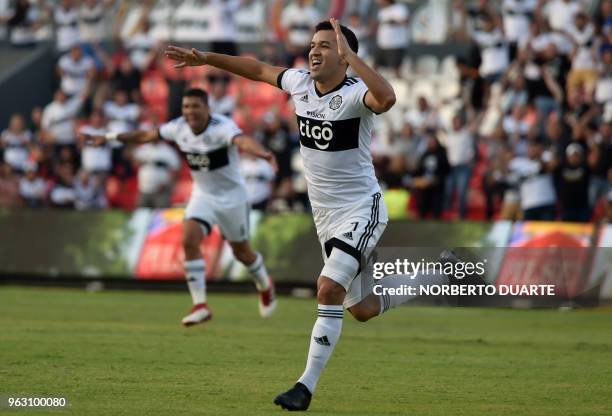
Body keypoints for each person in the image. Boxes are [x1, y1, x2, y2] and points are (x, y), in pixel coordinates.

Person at [165, 19, 452, 411]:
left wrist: (355, 59)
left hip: (361, 209)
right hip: (325, 217)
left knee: (327, 288)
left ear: (345, 57)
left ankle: (304, 387)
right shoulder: (299, 83)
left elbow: (386, 99)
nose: (314, 50)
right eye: (312, 44)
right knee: (362, 309)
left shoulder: (355, 95)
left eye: (325, 45)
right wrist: (206, 59)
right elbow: (257, 68)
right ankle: (437, 275)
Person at [81, 88, 277, 326]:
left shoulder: (221, 127)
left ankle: (265, 284)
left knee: (242, 253)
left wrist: (264, 154)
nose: (190, 112)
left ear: (207, 108)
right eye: (186, 107)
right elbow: (146, 136)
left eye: (195, 106)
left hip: (232, 198)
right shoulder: (179, 127)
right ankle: (200, 305)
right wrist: (110, 137)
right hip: (203, 195)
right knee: (188, 239)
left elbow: (241, 140)